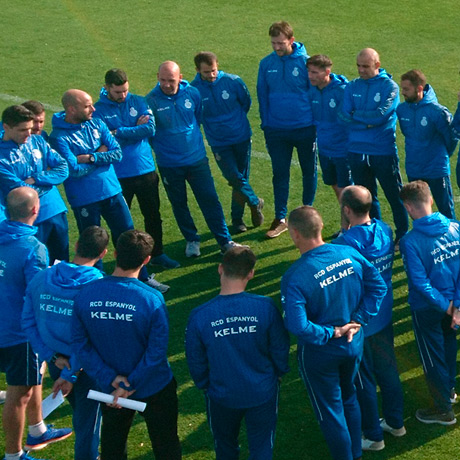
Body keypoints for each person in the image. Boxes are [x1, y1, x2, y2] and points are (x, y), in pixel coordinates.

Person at [281, 205, 386, 460]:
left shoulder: (294, 276)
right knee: (349, 396)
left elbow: (298, 326)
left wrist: (334, 332)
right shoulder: (348, 252)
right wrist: (358, 321)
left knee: (330, 410)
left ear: (295, 234)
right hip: (353, 345)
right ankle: (355, 452)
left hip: (321, 353)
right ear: (320, 227)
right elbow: (378, 287)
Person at [72, 229, 181, 460]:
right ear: (146, 260)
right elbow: (157, 351)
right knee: (166, 446)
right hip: (155, 386)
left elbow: (81, 345)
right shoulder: (151, 299)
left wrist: (109, 378)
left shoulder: (85, 294)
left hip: (110, 389)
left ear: (113, 253)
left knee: (112, 448)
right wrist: (132, 381)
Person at [49, 89, 168, 292]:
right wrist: (101, 153)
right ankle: (97, 285)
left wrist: (91, 157)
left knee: (129, 236)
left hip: (112, 190)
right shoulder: (59, 137)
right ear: (71, 109)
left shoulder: (96, 123)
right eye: (87, 106)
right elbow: (73, 170)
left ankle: (141, 278)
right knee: (92, 243)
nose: (93, 108)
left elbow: (117, 153)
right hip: (84, 197)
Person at [186, 247, 289, 459]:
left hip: (221, 394)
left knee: (225, 447)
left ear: (220, 268)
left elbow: (195, 360)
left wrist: (204, 384)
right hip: (262, 390)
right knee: (262, 447)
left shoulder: (199, 315)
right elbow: (280, 347)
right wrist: (279, 372)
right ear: (251, 273)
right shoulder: (266, 306)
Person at [22, 226, 109, 460]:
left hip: (56, 363)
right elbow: (92, 337)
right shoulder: (98, 288)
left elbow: (27, 323)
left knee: (82, 413)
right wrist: (71, 372)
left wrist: (52, 358)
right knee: (87, 422)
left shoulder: (42, 277)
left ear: (77, 245)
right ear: (103, 254)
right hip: (84, 366)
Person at [0, 187, 72, 460]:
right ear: (35, 211)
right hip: (18, 334)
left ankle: (38, 428)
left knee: (35, 374)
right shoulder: (33, 248)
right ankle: (14, 454)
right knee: (19, 395)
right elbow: (37, 293)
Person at [145, 61, 244, 257]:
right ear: (157, 77)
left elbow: (197, 119)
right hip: (169, 164)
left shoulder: (193, 94)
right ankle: (192, 239)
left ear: (180, 78)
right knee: (179, 203)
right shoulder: (151, 101)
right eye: (163, 80)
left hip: (197, 160)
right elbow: (150, 134)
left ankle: (224, 240)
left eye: (171, 80)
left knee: (210, 200)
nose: (166, 84)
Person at [334, 185, 405, 451]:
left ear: (347, 209)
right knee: (389, 370)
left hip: (360, 321)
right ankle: (396, 423)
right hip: (384, 313)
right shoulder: (385, 230)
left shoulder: (345, 244)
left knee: (363, 380)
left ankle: (374, 436)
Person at [93, 68, 179, 269]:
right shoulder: (99, 111)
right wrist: (133, 130)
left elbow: (150, 128)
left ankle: (157, 253)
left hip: (145, 169)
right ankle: (125, 260)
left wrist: (119, 131)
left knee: (153, 214)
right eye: (117, 92)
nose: (123, 96)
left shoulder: (139, 101)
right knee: (121, 223)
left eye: (125, 91)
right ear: (106, 88)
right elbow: (105, 140)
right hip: (118, 174)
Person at [399, 180, 460, 425]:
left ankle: (443, 409)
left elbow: (420, 283)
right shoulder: (456, 227)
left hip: (428, 309)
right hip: (455, 308)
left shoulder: (410, 241)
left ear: (407, 207)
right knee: (449, 345)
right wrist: (456, 306)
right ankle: (450, 391)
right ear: (431, 199)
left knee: (432, 357)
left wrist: (448, 307)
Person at [340, 48, 408, 246]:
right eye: (358, 66)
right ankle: (377, 234)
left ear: (377, 65)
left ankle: (402, 234)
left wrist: (357, 116)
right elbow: (343, 116)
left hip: (382, 151)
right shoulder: (352, 86)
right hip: (356, 150)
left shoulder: (390, 87)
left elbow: (381, 116)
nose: (361, 70)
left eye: (366, 66)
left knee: (395, 195)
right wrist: (367, 122)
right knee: (367, 198)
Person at [191, 52, 264, 234]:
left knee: (240, 178)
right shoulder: (193, 90)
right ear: (197, 70)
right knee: (233, 177)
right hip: (218, 142)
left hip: (241, 137)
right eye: (206, 72)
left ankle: (237, 219)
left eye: (214, 70)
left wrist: (235, 122)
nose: (211, 75)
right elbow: (196, 115)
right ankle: (255, 202)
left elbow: (245, 103)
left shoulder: (233, 81)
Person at [257, 21, 317, 239]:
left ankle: (307, 212)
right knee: (279, 173)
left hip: (304, 127)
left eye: (280, 43)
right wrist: (266, 123)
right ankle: (280, 217)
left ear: (291, 41)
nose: (276, 47)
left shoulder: (305, 63)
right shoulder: (266, 64)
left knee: (308, 170)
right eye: (273, 43)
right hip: (276, 130)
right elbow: (262, 94)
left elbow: (314, 94)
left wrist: (314, 122)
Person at [0, 105, 69, 264]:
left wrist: (37, 178)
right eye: (23, 130)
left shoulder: (37, 140)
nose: (28, 134)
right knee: (37, 264)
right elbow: (20, 190)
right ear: (6, 127)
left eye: (30, 128)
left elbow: (63, 168)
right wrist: (49, 183)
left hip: (55, 210)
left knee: (61, 262)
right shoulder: (1, 157)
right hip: (29, 219)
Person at [397, 69, 457, 219]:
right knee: (417, 211)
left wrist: (442, 155)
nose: (402, 93)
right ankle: (422, 241)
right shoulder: (402, 110)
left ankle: (453, 241)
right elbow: (408, 135)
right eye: (402, 88)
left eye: (406, 89)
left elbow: (451, 138)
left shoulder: (437, 111)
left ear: (419, 89)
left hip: (436, 169)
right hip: (414, 168)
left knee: (446, 211)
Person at [307, 54, 351, 231]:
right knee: (336, 188)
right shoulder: (312, 90)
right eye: (309, 71)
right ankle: (347, 227)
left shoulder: (342, 91)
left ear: (327, 72)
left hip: (342, 150)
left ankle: (347, 229)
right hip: (324, 149)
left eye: (315, 72)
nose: (310, 76)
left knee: (346, 191)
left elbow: (349, 119)